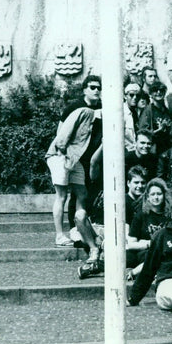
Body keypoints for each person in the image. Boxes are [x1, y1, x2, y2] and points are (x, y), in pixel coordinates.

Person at [44, 103, 103, 270]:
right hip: (60, 155)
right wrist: (63, 154)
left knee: (82, 193)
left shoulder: (100, 125)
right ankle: (59, 235)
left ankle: (79, 228)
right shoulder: (85, 112)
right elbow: (63, 133)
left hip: (74, 159)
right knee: (61, 195)